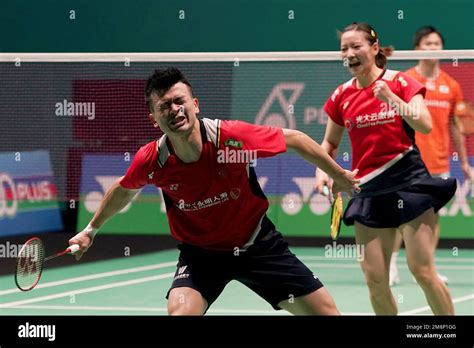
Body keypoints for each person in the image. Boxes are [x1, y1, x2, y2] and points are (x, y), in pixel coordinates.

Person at [69, 67, 360, 315]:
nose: (174, 110)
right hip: (201, 257)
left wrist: (339, 175)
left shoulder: (231, 139)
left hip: (257, 245)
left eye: (179, 101)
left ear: (195, 104)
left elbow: (294, 139)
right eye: (164, 107)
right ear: (153, 119)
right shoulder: (152, 159)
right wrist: (90, 230)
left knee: (327, 313)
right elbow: (123, 190)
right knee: (180, 312)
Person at [315, 22, 456, 315]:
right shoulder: (341, 95)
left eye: (357, 47)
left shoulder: (400, 82)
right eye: (344, 49)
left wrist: (392, 100)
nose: (349, 54)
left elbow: (425, 123)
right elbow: (329, 143)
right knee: (375, 279)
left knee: (423, 271)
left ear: (375, 48)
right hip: (367, 191)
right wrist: (322, 170)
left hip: (408, 183)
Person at [389, 26, 472, 286]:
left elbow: (455, 128)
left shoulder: (452, 85)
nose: (434, 48)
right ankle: (391, 265)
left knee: (431, 218)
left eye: (437, 43)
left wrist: (464, 163)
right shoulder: (403, 80)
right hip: (407, 162)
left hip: (437, 162)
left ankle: (429, 269)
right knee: (399, 216)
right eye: (428, 43)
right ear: (417, 49)